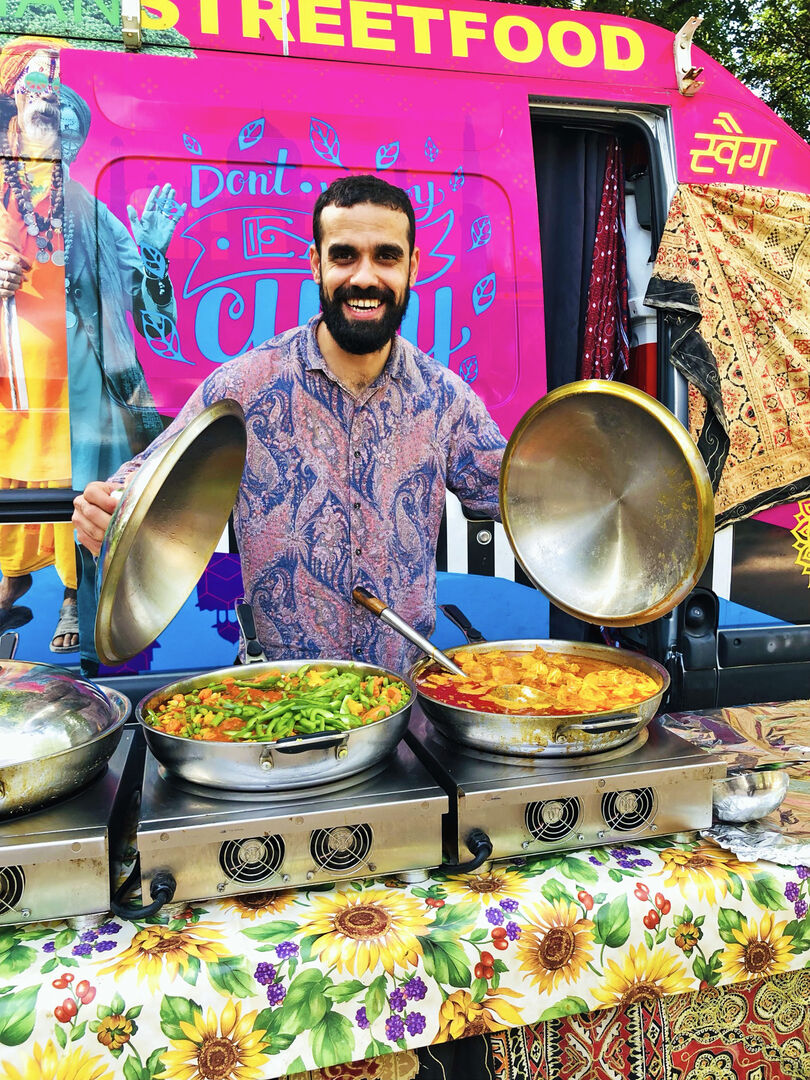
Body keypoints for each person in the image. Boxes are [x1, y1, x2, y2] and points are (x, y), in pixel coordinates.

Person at [73, 175, 505, 672]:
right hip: (276, 704)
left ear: (412, 265)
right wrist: (106, 509)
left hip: (403, 702)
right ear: (317, 263)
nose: (365, 277)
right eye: (344, 256)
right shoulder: (243, 387)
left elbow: (522, 505)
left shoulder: (447, 400)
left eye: (386, 256)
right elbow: (145, 481)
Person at [0, 39, 182, 657]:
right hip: (9, 398)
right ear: (14, 112)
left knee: (78, 490)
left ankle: (75, 595)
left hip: (75, 396)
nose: (48, 107)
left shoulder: (89, 208)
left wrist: (153, 251)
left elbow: (149, 315)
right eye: (36, 96)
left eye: (59, 104)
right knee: (16, 498)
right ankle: (12, 577)